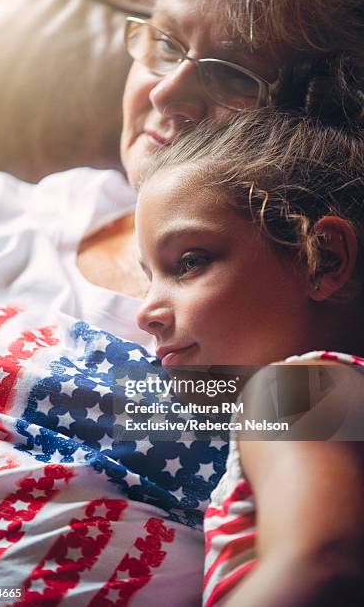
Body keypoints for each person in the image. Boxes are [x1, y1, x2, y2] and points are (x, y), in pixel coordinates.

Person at [0, 0, 363, 603]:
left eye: (233, 73)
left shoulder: (298, 377)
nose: (166, 92)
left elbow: (321, 560)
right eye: (166, 44)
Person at [135, 109, 364, 606]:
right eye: (147, 275)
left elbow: (319, 563)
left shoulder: (296, 386)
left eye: (189, 263)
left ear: (321, 258)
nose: (145, 312)